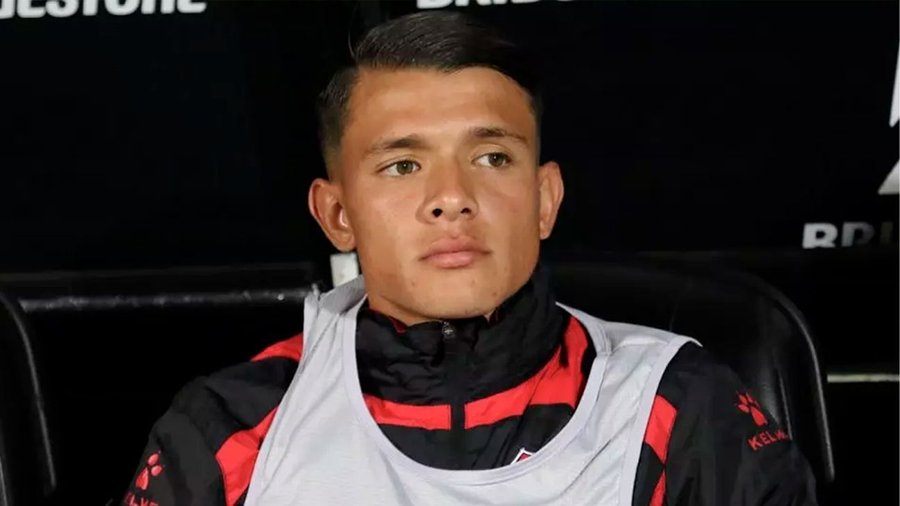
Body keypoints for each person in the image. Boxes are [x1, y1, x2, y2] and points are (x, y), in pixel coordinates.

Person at [123, 11, 817, 506]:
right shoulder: (232, 427)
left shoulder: (680, 408)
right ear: (337, 215)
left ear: (544, 199)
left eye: (491, 158)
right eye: (402, 166)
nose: (451, 198)